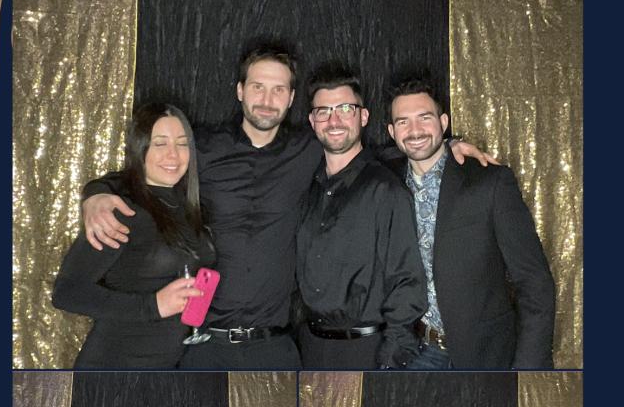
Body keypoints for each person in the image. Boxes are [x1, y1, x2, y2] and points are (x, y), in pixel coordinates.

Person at [80, 43, 494, 369]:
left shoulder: (308, 149)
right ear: (240, 91)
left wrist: (447, 146)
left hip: (276, 346)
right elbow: (149, 170)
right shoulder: (202, 148)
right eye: (257, 87)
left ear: (292, 98)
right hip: (204, 343)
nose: (267, 99)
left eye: (278, 89)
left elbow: (366, 152)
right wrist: (96, 192)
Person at [386, 77, 556, 369]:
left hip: (484, 355)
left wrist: (529, 368)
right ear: (391, 131)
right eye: (403, 122)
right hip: (415, 352)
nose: (414, 130)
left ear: (443, 122)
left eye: (424, 118)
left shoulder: (490, 182)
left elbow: (535, 284)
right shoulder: (386, 181)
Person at [51, 103, 214, 368]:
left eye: (182, 144)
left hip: (169, 365)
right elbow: (67, 292)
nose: (173, 154)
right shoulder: (123, 211)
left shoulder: (189, 207)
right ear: (140, 149)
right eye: (160, 143)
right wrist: (153, 306)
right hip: (115, 364)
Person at [296, 65, 426, 369]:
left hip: (366, 350)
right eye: (324, 111)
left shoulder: (386, 190)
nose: (334, 121)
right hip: (310, 347)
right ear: (312, 121)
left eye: (345, 109)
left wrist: (390, 358)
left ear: (363, 116)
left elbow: (407, 281)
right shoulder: (308, 188)